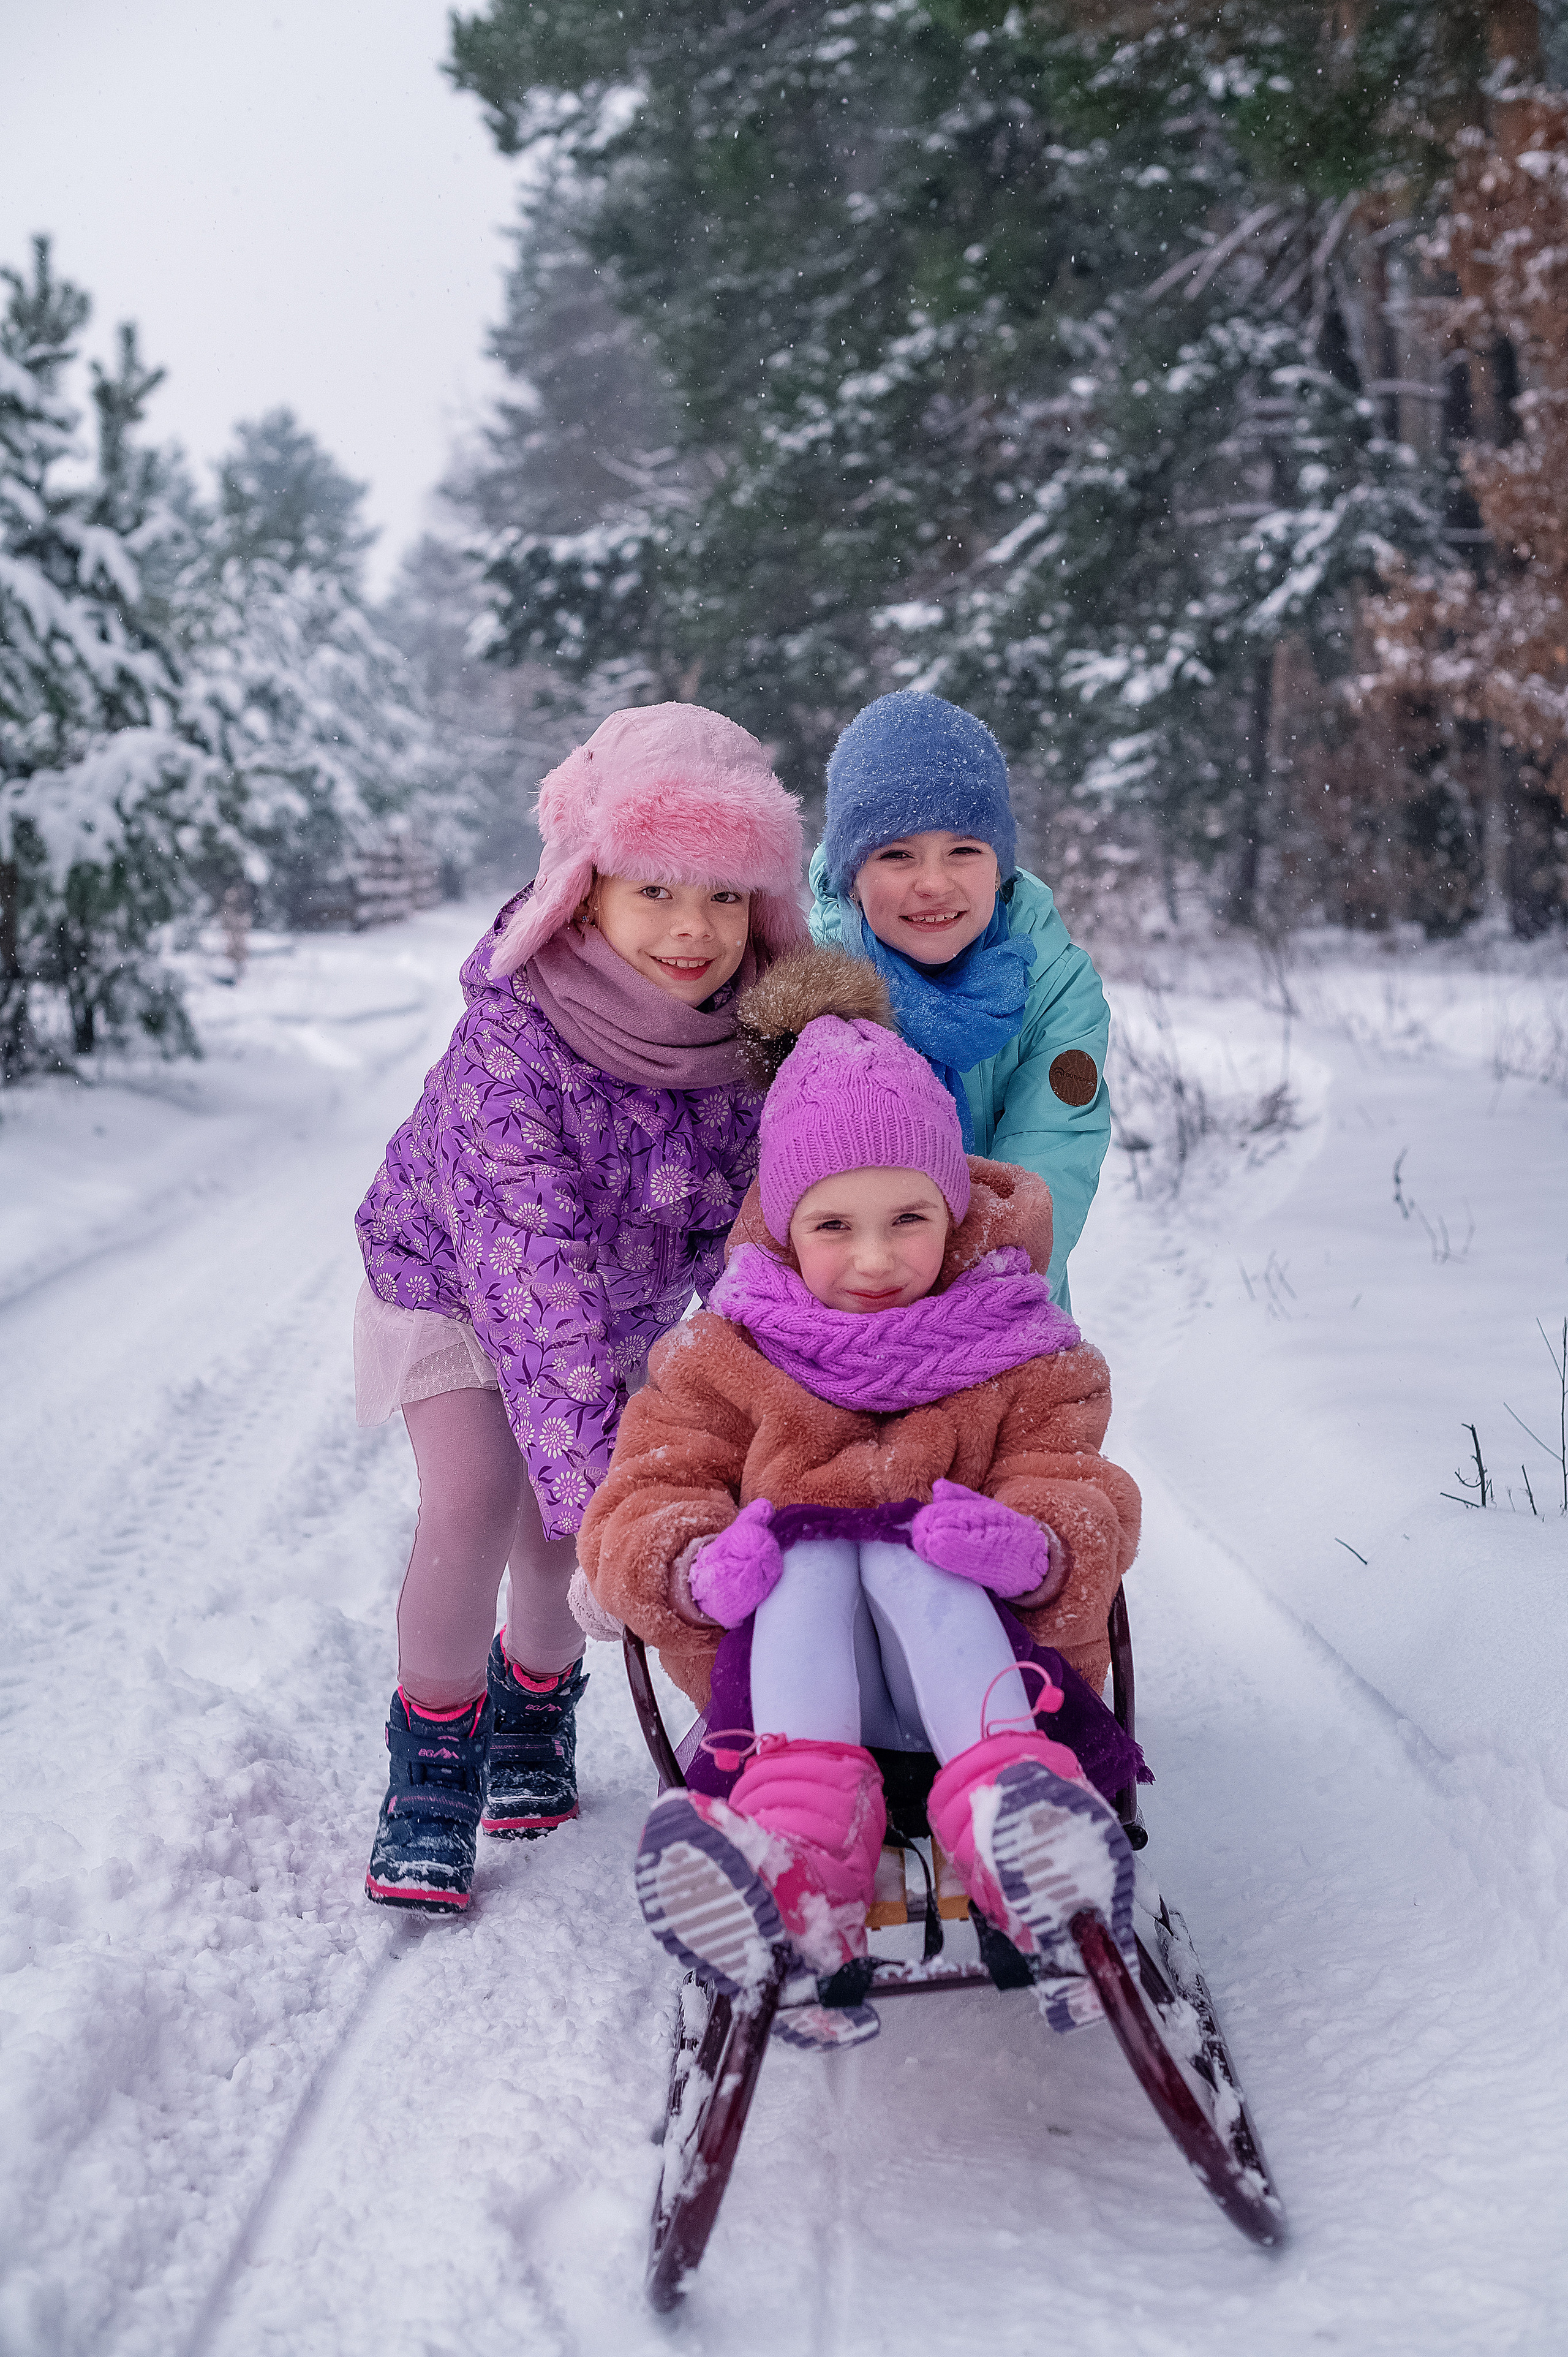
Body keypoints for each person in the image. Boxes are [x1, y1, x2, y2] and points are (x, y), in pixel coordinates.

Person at [577, 950, 1145, 2040]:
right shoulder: (726, 1355)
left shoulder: (1024, 1344)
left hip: (993, 1682)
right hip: (793, 1706)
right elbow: (642, 1489)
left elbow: (1084, 1485)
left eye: (909, 1219)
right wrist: (693, 1561)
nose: (876, 1258)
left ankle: (1016, 1827)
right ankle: (794, 1864)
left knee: (907, 1543)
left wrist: (1032, 1546)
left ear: (953, 1207)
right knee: (810, 1547)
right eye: (835, 1225)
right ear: (785, 1224)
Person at [353, 703, 808, 1913]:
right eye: (654, 888)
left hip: (617, 1306)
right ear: (583, 886)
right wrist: (623, 1518)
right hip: (450, 1279)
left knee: (557, 1547)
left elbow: (757, 1245)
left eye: (722, 897)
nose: (690, 929)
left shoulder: (752, 1043)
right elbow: (528, 1283)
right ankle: (432, 1761)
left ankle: (532, 1708)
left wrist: (783, 1406)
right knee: (481, 1498)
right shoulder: (517, 1042)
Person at [809, 689, 1109, 1308]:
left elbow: (1049, 1162)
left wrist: (971, 1311)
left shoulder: (1055, 987)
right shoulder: (810, 988)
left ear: (998, 864)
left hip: (1003, 1311)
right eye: (896, 854)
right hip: (840, 1320)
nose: (933, 883)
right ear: (851, 879)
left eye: (963, 851)